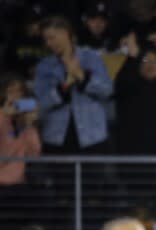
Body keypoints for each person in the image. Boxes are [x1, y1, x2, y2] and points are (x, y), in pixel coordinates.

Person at [33, 15, 112, 154]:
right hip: (56, 138)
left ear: (65, 33)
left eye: (52, 38)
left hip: (92, 136)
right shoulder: (43, 66)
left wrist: (81, 75)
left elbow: (107, 91)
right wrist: (64, 87)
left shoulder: (92, 58)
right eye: (45, 39)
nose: (48, 43)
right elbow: (40, 104)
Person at [114, 42, 156, 155]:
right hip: (128, 152)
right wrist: (132, 58)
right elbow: (121, 83)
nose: (151, 65)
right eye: (146, 60)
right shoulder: (128, 88)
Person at [0, 73, 41, 186]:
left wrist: (29, 125)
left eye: (19, 92)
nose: (15, 96)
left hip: (18, 183)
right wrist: (4, 113)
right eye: (11, 91)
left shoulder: (23, 122)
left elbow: (34, 154)